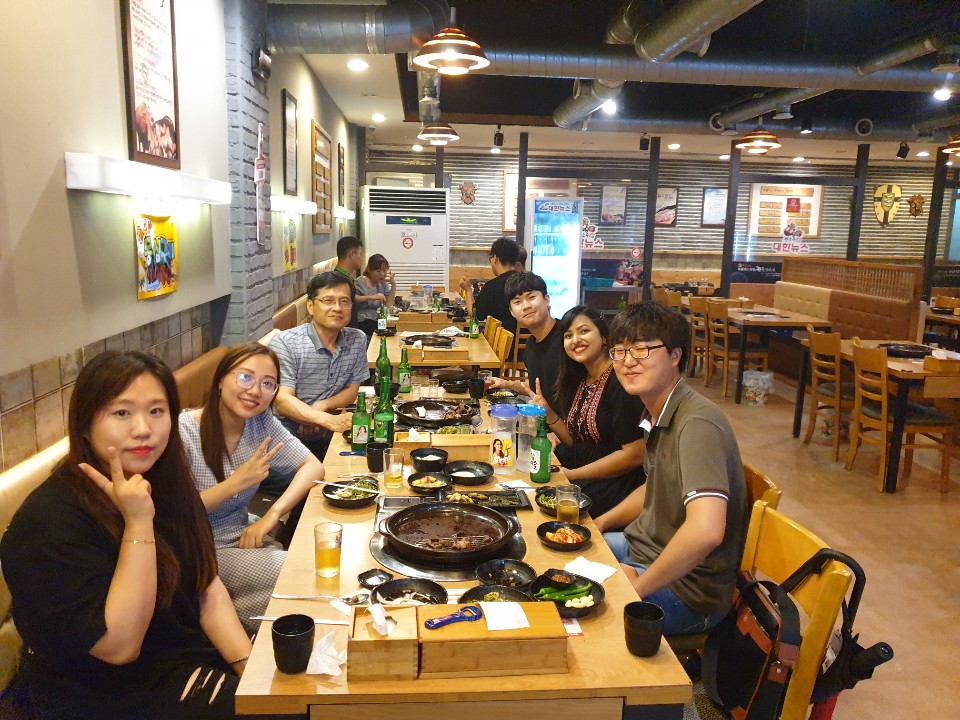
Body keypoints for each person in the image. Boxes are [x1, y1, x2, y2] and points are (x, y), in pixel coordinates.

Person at [0, 351, 251, 719]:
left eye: (156, 411)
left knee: (302, 688)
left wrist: (250, 670)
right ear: (85, 425)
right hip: (104, 693)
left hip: (181, 655)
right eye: (122, 413)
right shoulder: (48, 522)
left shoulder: (165, 481)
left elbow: (205, 585)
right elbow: (119, 647)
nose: (143, 429)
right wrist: (138, 523)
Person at [594, 302, 748, 636]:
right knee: (567, 554)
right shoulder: (657, 410)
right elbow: (656, 486)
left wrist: (638, 587)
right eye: (619, 350)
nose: (627, 361)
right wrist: (600, 523)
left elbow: (706, 531)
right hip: (644, 548)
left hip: (688, 590)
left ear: (676, 355)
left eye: (642, 349)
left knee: (586, 616)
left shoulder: (697, 423)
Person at [179, 342, 325, 633]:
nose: (255, 391)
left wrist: (274, 514)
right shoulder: (183, 430)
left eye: (267, 383)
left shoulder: (260, 422)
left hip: (243, 533)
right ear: (221, 380)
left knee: (316, 563)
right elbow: (174, 510)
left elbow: (314, 467)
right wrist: (235, 484)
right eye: (245, 377)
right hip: (199, 549)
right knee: (302, 575)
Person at [529, 306, 646, 517]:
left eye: (584, 331)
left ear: (604, 336)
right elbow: (575, 440)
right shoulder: (579, 378)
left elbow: (635, 455)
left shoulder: (619, 381)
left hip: (616, 481)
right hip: (581, 467)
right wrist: (549, 414)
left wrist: (572, 475)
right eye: (568, 335)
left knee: (546, 504)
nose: (576, 340)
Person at [267, 271, 368, 473]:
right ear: (310, 306)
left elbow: (352, 390)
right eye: (328, 301)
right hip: (287, 427)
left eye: (344, 301)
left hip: (329, 422)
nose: (337, 308)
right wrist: (324, 419)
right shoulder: (286, 342)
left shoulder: (357, 339)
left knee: (366, 462)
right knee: (307, 476)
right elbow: (283, 400)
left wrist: (323, 406)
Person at [487, 271, 563, 413]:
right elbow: (536, 387)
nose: (526, 306)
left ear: (546, 299)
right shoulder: (531, 346)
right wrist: (505, 384)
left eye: (531, 297)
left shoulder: (566, 339)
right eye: (517, 302)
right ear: (511, 311)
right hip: (545, 420)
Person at [459, 237, 520, 341]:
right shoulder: (529, 282)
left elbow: (476, 315)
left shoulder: (493, 286)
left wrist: (468, 290)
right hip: (528, 346)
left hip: (503, 345)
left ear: (495, 258)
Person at [355, 253, 396, 339]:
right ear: (369, 270)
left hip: (375, 319)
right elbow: (353, 298)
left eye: (384, 270)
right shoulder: (360, 282)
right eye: (378, 271)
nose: (382, 274)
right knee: (381, 330)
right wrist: (371, 297)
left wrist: (393, 285)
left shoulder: (383, 284)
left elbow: (388, 304)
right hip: (361, 320)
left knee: (393, 329)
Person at [333, 235, 364, 327]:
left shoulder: (346, 278)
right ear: (352, 254)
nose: (361, 258)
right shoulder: (339, 282)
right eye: (360, 254)